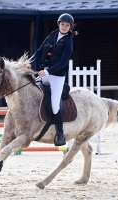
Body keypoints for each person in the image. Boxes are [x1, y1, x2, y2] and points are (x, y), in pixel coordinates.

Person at [26, 13, 77, 146]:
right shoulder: (52, 36)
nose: (64, 27)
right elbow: (39, 51)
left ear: (70, 27)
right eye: (62, 24)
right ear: (58, 24)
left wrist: (47, 72)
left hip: (57, 76)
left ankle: (60, 134)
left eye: (67, 25)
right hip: (44, 72)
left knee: (55, 105)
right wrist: (30, 61)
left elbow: (63, 62)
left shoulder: (69, 42)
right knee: (30, 91)